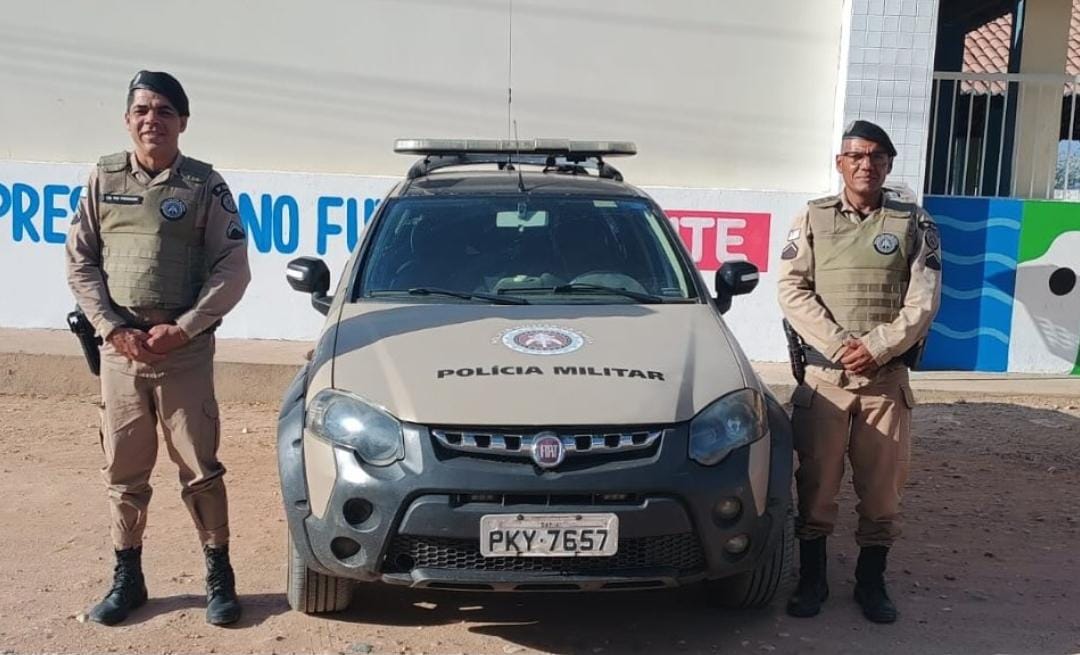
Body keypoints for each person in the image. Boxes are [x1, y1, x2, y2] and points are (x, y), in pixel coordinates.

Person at [65, 70, 251, 626]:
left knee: (200, 469)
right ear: (127, 120)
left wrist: (186, 328)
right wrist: (112, 328)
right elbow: (80, 261)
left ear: (183, 122)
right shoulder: (103, 178)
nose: (153, 120)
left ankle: (219, 577)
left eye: (165, 111)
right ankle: (128, 578)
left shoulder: (204, 185)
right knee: (124, 474)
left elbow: (232, 268)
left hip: (182, 354)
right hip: (121, 354)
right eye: (142, 110)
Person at [777, 120, 942, 624]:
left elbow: (923, 300)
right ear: (840, 164)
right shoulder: (813, 217)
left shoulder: (914, 223)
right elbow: (791, 289)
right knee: (816, 487)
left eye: (875, 156)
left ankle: (872, 583)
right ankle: (813, 580)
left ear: (888, 164)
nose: (865, 164)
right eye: (855, 156)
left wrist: (876, 346)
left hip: (884, 382)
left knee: (882, 491)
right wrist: (838, 344)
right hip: (824, 381)